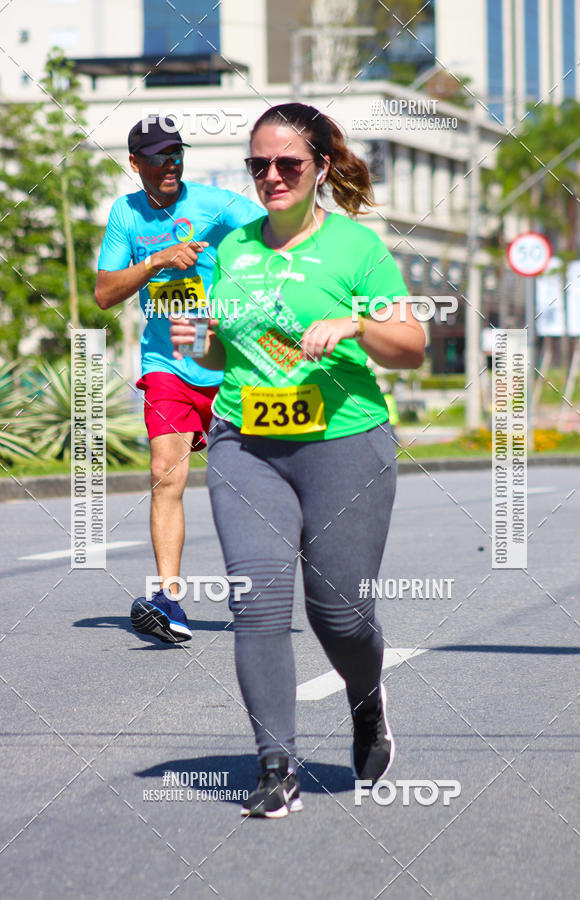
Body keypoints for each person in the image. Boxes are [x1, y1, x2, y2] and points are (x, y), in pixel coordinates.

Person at [170, 102, 425, 817]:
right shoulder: (235, 250)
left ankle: (367, 701)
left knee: (340, 614)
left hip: (344, 440)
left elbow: (411, 346)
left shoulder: (356, 249)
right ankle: (274, 765)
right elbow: (222, 353)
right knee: (256, 600)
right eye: (259, 165)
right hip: (245, 442)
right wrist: (199, 341)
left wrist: (357, 321)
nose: (272, 176)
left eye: (288, 164)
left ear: (319, 169)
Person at [95, 116, 262, 644]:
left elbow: (278, 232)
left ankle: (253, 585)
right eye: (159, 155)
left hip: (225, 360)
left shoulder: (214, 205)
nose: (171, 164)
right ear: (135, 162)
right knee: (165, 472)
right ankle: (169, 601)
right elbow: (104, 293)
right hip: (167, 366)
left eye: (176, 154)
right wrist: (158, 259)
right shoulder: (126, 214)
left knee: (246, 485)